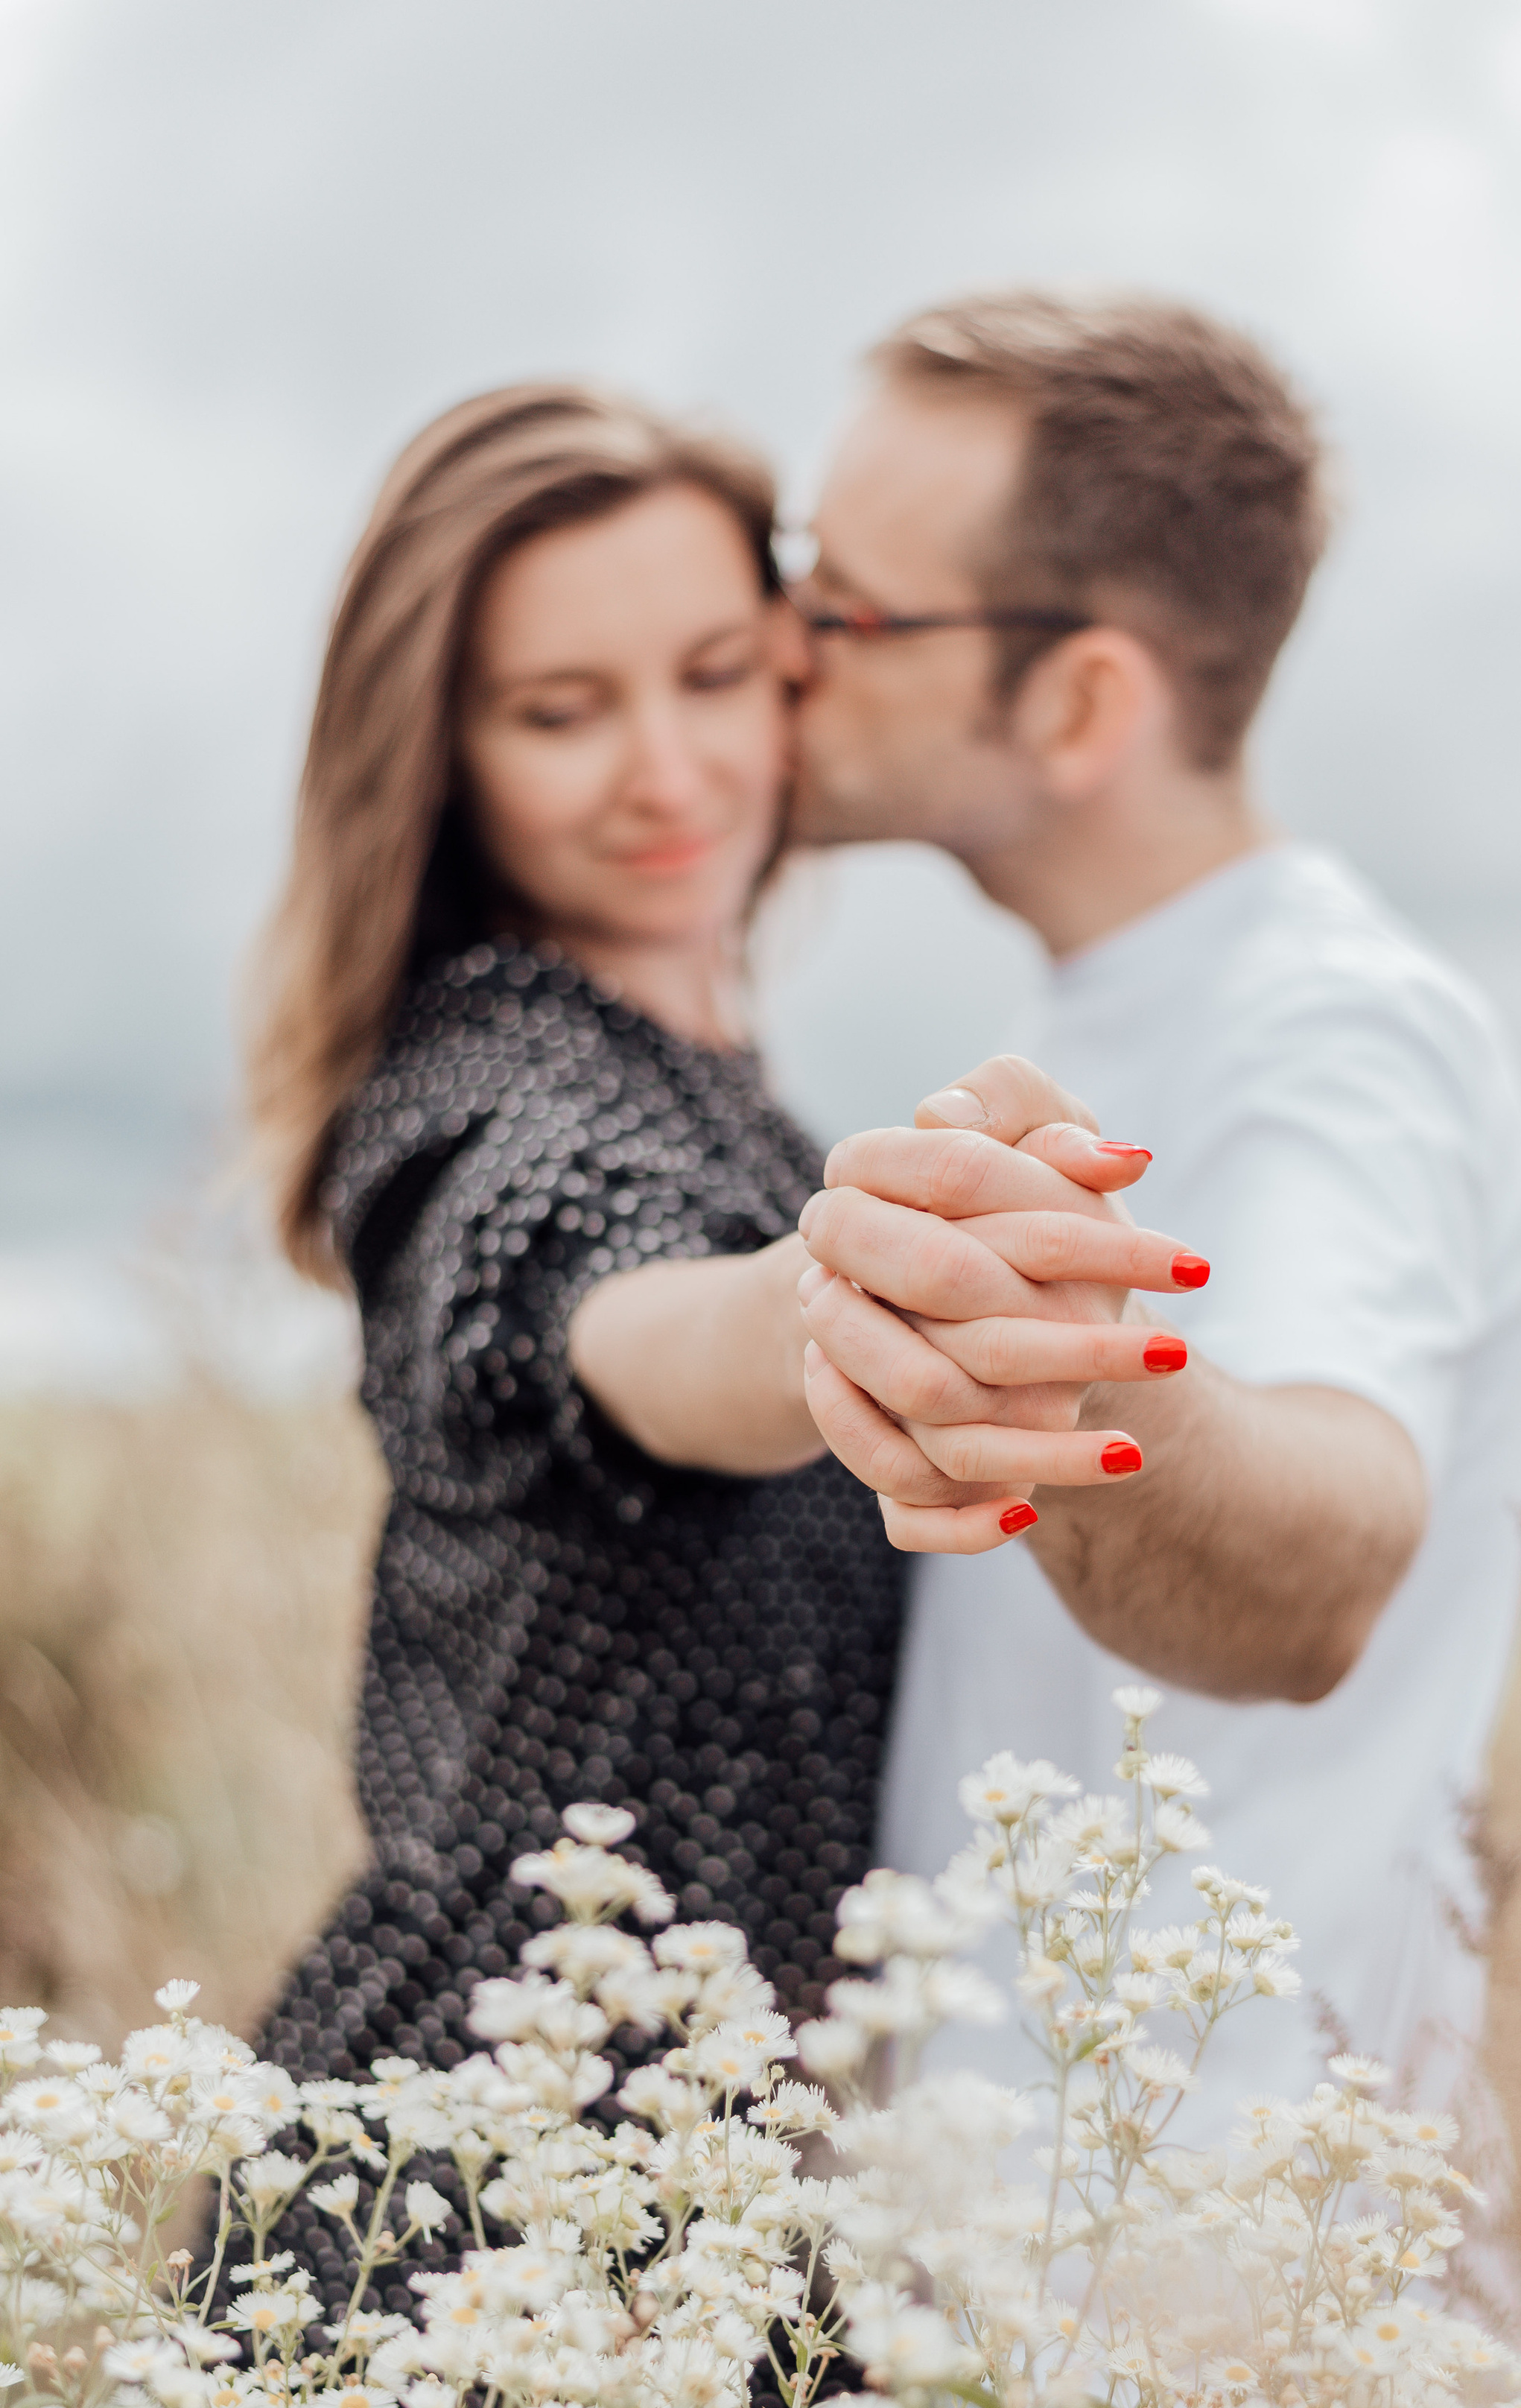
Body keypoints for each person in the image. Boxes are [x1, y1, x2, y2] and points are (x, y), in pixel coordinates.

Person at [243, 381, 1193, 2310]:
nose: (664, 769)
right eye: (558, 710)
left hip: (731, 2196)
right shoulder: (478, 1099)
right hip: (483, 2188)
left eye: (709, 671)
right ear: (442, 758)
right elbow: (615, 1310)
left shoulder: (724, 1099)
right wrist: (833, 1301)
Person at [788, 294, 1521, 2139]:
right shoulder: (1110, 1007)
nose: (781, 652)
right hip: (1036, 2258)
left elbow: (1321, 1557)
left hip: (1204, 2295)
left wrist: (1058, 1387)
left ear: (1076, 703)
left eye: (843, 607)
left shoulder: (1329, 1035)